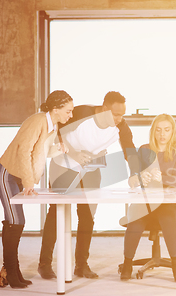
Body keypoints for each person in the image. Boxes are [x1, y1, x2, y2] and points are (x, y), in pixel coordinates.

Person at [38, 91, 137, 280]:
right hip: (64, 164)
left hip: (90, 170)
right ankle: (44, 263)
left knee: (87, 217)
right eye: (116, 114)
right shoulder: (82, 113)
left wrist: (133, 174)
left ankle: (81, 265)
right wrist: (74, 154)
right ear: (104, 108)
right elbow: (57, 132)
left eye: (122, 115)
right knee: (56, 213)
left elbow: (130, 150)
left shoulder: (120, 126)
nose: (119, 119)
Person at [0, 90, 74, 288]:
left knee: (16, 222)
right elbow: (24, 151)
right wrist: (29, 182)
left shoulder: (51, 125)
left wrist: (58, 149)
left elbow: (40, 152)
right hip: (7, 175)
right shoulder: (37, 120)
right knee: (16, 221)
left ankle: (11, 272)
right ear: (55, 109)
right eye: (68, 111)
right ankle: (11, 272)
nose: (70, 115)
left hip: (18, 177)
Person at [120, 114, 176, 282]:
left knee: (166, 216)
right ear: (153, 131)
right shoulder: (144, 150)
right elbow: (132, 180)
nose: (162, 134)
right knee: (135, 215)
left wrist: (159, 178)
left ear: (173, 131)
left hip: (170, 203)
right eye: (158, 130)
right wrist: (138, 178)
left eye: (166, 130)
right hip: (147, 202)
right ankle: (127, 264)